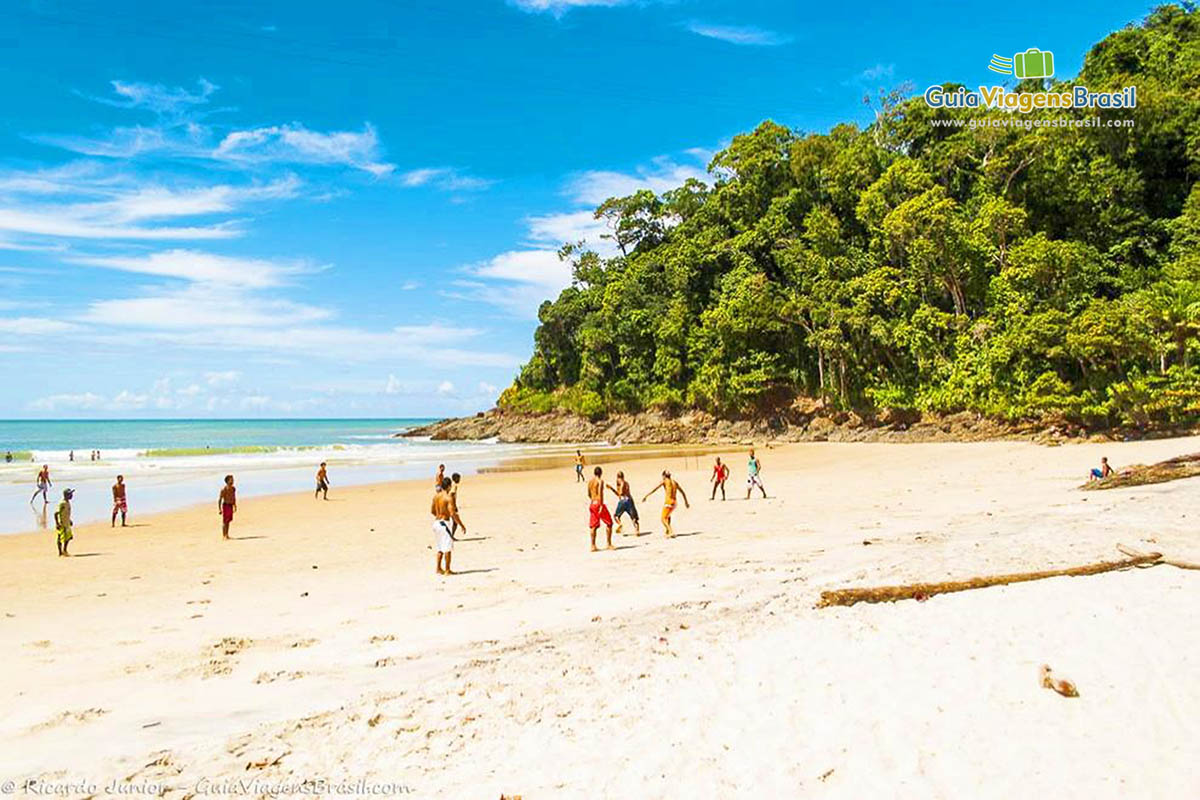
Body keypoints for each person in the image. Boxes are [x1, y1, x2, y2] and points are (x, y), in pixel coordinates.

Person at [644, 470, 689, 538]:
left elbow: (655, 489)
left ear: (664, 476)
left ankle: (670, 531)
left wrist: (646, 496)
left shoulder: (665, 481)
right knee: (668, 516)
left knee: (663, 518)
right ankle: (667, 531)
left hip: (669, 502)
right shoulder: (675, 482)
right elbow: (683, 492)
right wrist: (686, 502)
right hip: (674, 502)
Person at [431, 476, 458, 575]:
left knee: (439, 547)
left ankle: (438, 568)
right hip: (444, 524)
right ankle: (447, 570)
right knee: (447, 548)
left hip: (436, 523)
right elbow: (452, 513)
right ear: (449, 486)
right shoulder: (448, 497)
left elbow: (432, 511)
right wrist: (461, 524)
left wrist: (439, 516)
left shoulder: (436, 497)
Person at [587, 465, 617, 551]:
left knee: (593, 526)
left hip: (592, 503)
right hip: (598, 504)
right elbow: (600, 493)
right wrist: (600, 505)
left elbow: (588, 494)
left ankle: (593, 546)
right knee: (609, 523)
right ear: (601, 473)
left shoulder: (590, 482)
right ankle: (609, 544)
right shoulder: (600, 481)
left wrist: (594, 500)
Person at [613, 470, 640, 535]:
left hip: (622, 501)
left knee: (616, 516)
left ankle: (620, 524)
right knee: (633, 517)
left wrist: (612, 488)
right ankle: (637, 531)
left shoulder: (621, 482)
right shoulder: (626, 483)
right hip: (629, 500)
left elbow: (620, 493)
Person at [54, 488, 74, 557]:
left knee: (68, 537)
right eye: (70, 494)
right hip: (62, 523)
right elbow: (56, 513)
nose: (72, 495)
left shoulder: (68, 503)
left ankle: (64, 550)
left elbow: (66, 513)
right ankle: (60, 552)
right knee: (60, 537)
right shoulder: (62, 503)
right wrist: (57, 523)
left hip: (67, 523)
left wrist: (69, 520)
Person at [218, 475, 237, 540]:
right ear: (227, 481)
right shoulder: (224, 489)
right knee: (225, 521)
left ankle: (227, 534)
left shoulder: (233, 489)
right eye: (231, 479)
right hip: (225, 505)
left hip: (230, 505)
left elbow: (234, 497)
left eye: (233, 479)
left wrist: (235, 505)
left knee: (228, 521)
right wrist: (219, 509)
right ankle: (224, 535)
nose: (233, 481)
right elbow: (220, 499)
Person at [449, 473, 466, 537]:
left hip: (448, 505)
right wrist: (454, 505)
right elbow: (452, 495)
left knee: (453, 522)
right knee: (455, 522)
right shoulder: (454, 485)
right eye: (459, 478)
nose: (459, 480)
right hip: (451, 505)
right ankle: (451, 536)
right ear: (456, 478)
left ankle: (451, 536)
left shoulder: (451, 484)